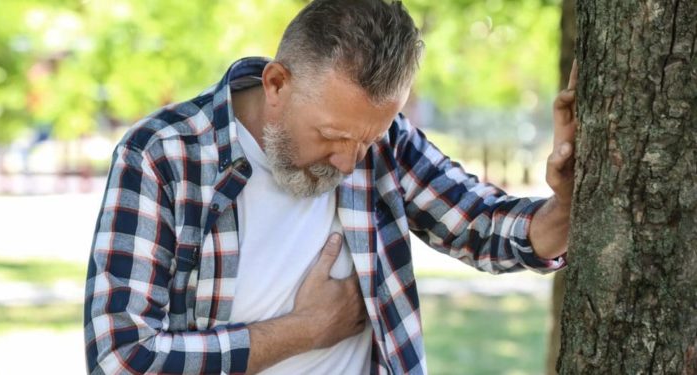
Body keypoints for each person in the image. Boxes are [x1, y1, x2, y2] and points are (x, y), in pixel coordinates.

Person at [83, 0, 578, 373]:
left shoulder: (380, 144)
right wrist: (303, 331)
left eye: (368, 139)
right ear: (277, 84)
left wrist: (567, 204)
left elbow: (483, 226)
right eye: (332, 136)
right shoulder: (162, 155)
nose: (348, 161)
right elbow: (122, 357)